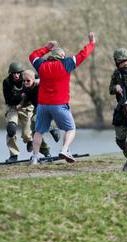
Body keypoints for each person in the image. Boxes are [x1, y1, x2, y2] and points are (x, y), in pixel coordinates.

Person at [29, 32, 96, 164]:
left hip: (42, 105)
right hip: (59, 105)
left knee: (38, 131)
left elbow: (33, 56)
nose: (65, 56)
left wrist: (46, 48)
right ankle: (65, 150)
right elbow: (83, 54)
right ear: (61, 56)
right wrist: (92, 43)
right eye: (63, 55)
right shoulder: (67, 64)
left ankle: (35, 157)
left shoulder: (41, 65)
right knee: (70, 129)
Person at [20, 69, 61, 157]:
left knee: (35, 120)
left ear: (33, 79)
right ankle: (45, 150)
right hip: (37, 107)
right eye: (24, 81)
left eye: (28, 80)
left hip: (48, 106)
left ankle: (53, 128)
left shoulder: (41, 85)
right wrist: (21, 105)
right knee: (34, 130)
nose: (26, 82)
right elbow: (26, 99)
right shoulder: (25, 88)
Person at [3, 62, 34, 163]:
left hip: (26, 107)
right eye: (13, 73)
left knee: (26, 133)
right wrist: (21, 95)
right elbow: (9, 100)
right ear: (10, 74)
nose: (16, 75)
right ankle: (14, 154)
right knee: (11, 129)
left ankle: (29, 140)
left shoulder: (27, 78)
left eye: (18, 73)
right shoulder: (7, 82)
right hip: (13, 107)